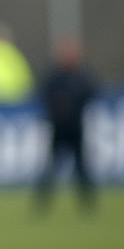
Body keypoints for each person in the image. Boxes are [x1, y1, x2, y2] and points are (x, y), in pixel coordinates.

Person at [34, 37, 98, 211]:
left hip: (76, 128)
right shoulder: (54, 77)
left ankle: (88, 204)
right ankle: (41, 204)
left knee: (81, 167)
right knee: (52, 166)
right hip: (58, 128)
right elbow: (43, 95)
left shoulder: (81, 76)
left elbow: (92, 94)